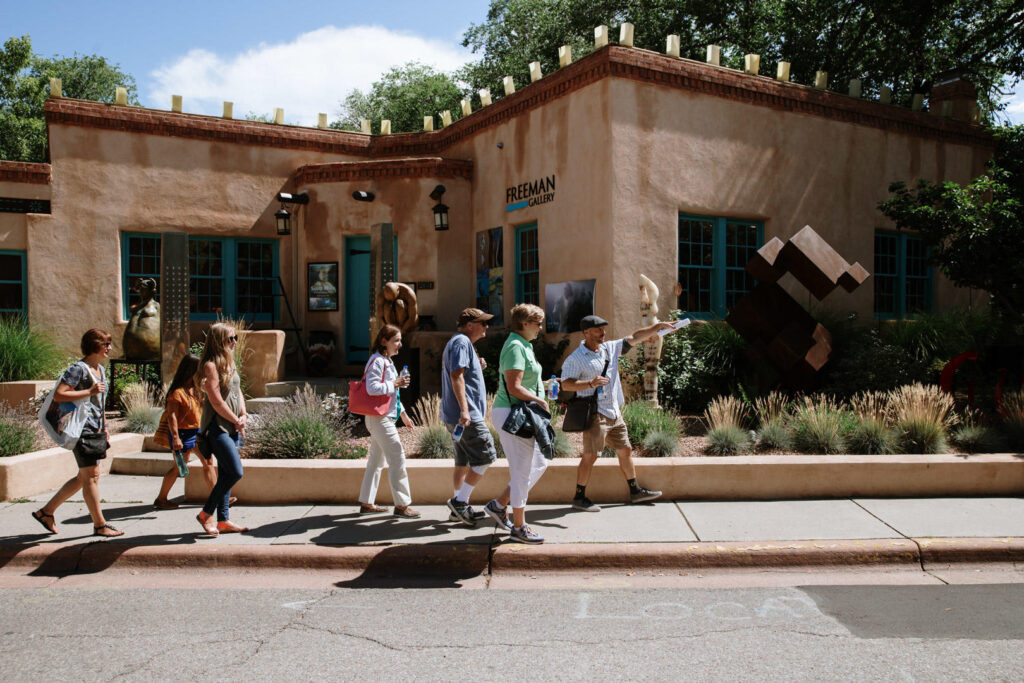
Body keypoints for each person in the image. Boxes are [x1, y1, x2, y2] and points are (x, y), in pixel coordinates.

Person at [560, 314, 674, 511]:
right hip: (596, 414)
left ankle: (635, 491)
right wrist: (590, 383)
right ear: (586, 332)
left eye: (604, 329)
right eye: (598, 330)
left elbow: (635, 337)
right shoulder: (575, 359)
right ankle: (579, 497)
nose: (603, 333)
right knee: (591, 455)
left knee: (625, 450)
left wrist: (656, 327)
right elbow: (566, 384)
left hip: (614, 412)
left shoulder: (609, 348)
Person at [32, 329, 123, 537]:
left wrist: (106, 427)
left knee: (85, 477)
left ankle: (46, 512)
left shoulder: (99, 369)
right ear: (94, 345)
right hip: (82, 430)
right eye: (105, 344)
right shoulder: (78, 369)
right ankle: (100, 525)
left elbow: (98, 404)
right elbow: (60, 394)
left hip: (96, 429)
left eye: (109, 344)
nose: (109, 348)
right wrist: (89, 391)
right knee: (91, 476)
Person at [483, 303, 551, 544]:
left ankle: (499, 505)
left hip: (521, 412)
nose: (541, 328)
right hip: (513, 414)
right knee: (521, 471)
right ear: (524, 324)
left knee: (539, 463)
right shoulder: (514, 346)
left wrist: (545, 386)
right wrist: (538, 400)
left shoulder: (525, 345)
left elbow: (527, 381)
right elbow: (514, 387)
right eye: (538, 323)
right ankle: (519, 526)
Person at [440, 308, 497, 526]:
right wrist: (465, 410)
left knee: (462, 462)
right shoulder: (462, 342)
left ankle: (458, 510)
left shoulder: (461, 343)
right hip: (466, 415)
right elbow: (457, 375)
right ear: (470, 325)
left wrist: (477, 365)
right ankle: (460, 502)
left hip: (456, 415)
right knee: (486, 455)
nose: (486, 327)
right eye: (483, 323)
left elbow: (461, 372)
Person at [358, 324, 419, 518]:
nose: (400, 345)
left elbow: (393, 396)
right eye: (396, 341)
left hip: (382, 418)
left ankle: (367, 503)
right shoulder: (377, 361)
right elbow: (372, 388)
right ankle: (402, 505)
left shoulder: (387, 361)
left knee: (376, 461)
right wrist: (395, 383)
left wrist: (404, 415)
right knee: (397, 458)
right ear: (384, 341)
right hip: (379, 419)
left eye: (400, 340)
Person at [195, 323, 249, 536]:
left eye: (235, 337)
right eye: (230, 339)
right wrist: (236, 419)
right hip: (217, 429)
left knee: (227, 473)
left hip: (232, 426)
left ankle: (223, 520)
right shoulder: (210, 366)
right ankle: (206, 513)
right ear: (218, 341)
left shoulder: (229, 362)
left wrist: (243, 415)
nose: (234, 342)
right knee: (235, 472)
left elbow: (238, 391)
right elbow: (216, 402)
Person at [151, 354, 217, 510]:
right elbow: (172, 416)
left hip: (197, 432)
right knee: (178, 468)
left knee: (208, 462)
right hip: (182, 434)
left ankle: (217, 498)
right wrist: (175, 438)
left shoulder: (195, 390)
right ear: (191, 370)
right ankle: (161, 499)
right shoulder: (177, 392)